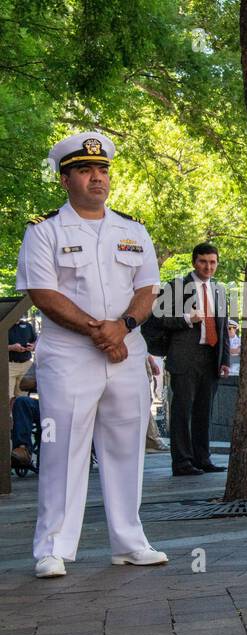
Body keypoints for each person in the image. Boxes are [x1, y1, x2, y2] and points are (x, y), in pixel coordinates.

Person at [15, 131, 168, 578]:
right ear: (65, 179)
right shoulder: (44, 230)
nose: (97, 178)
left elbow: (146, 289)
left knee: (126, 447)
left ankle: (129, 540)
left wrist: (122, 328)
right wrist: (98, 331)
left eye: (102, 170)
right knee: (64, 448)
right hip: (70, 355)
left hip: (126, 349)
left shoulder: (133, 229)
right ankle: (53, 547)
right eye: (85, 170)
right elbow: (43, 292)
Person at [156, 242, 231, 476]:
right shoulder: (176, 287)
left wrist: (225, 360)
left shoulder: (218, 290)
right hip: (184, 357)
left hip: (210, 358)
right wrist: (188, 318)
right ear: (193, 262)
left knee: (204, 411)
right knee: (182, 411)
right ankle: (182, 462)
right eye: (203, 262)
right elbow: (160, 319)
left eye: (212, 262)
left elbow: (223, 328)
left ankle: (203, 458)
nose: (208, 267)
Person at [7, 311, 36, 402]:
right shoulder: (4, 325)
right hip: (9, 365)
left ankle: (17, 416)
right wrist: (11, 347)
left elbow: (35, 340)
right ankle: (7, 416)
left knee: (22, 398)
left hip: (26, 365)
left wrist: (33, 346)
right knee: (7, 396)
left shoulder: (28, 326)